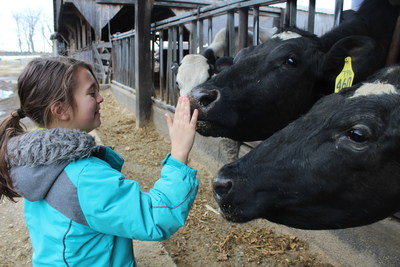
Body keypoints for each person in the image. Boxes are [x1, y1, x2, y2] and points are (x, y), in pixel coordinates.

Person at [0, 56, 199, 266]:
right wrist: (179, 153)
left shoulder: (35, 162)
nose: (101, 98)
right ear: (60, 110)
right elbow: (156, 217)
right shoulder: (85, 177)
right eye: (91, 92)